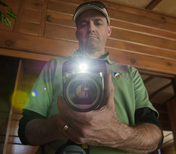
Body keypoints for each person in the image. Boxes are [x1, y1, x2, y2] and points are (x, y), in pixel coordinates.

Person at [18, 1, 163, 154]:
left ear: (108, 31)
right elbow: (25, 131)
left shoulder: (130, 73)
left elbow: (154, 137)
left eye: (98, 23)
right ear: (76, 33)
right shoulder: (54, 67)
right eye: (83, 24)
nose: (91, 28)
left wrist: (118, 134)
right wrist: (59, 124)